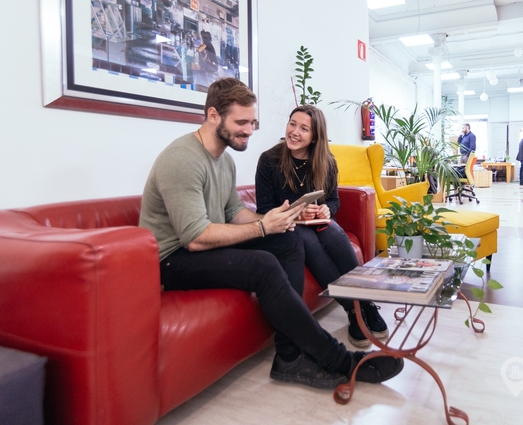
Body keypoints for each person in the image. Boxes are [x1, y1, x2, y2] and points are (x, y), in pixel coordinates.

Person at [139, 78, 403, 390]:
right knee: (263, 264)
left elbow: (235, 212)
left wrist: (275, 220)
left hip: (201, 248)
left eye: (253, 122)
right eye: (241, 122)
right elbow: (195, 237)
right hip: (172, 260)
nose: (249, 130)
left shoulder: (223, 160)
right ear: (213, 115)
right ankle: (341, 361)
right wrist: (263, 226)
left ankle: (288, 357)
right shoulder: (183, 158)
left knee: (288, 239)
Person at [255, 105, 389, 349]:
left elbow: (333, 199)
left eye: (304, 128)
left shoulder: (326, 160)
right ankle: (354, 311)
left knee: (334, 234)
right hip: (289, 228)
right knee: (309, 241)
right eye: (292, 124)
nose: (294, 132)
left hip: (319, 223)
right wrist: (294, 213)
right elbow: (263, 209)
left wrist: (327, 209)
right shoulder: (269, 160)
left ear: (315, 136)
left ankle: (366, 305)